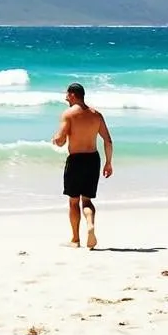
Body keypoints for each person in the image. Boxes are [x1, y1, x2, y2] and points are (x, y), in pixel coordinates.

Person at [52, 82, 113, 249]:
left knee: (73, 201)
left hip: (76, 160)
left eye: (67, 95)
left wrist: (56, 140)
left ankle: (75, 239)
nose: (65, 98)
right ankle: (90, 224)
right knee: (87, 201)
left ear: (73, 95)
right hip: (93, 160)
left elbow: (61, 139)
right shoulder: (96, 114)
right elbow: (107, 140)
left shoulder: (68, 114)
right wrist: (108, 163)